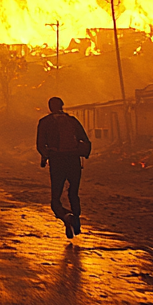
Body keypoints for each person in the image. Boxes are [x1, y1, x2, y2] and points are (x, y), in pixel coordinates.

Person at [36, 97, 92, 239]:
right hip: (73, 160)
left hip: (57, 161)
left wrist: (46, 156)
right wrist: (80, 152)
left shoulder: (45, 122)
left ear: (49, 107)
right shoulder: (72, 121)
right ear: (63, 106)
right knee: (73, 193)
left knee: (56, 196)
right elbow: (85, 140)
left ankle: (66, 216)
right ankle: (76, 219)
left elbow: (40, 144)